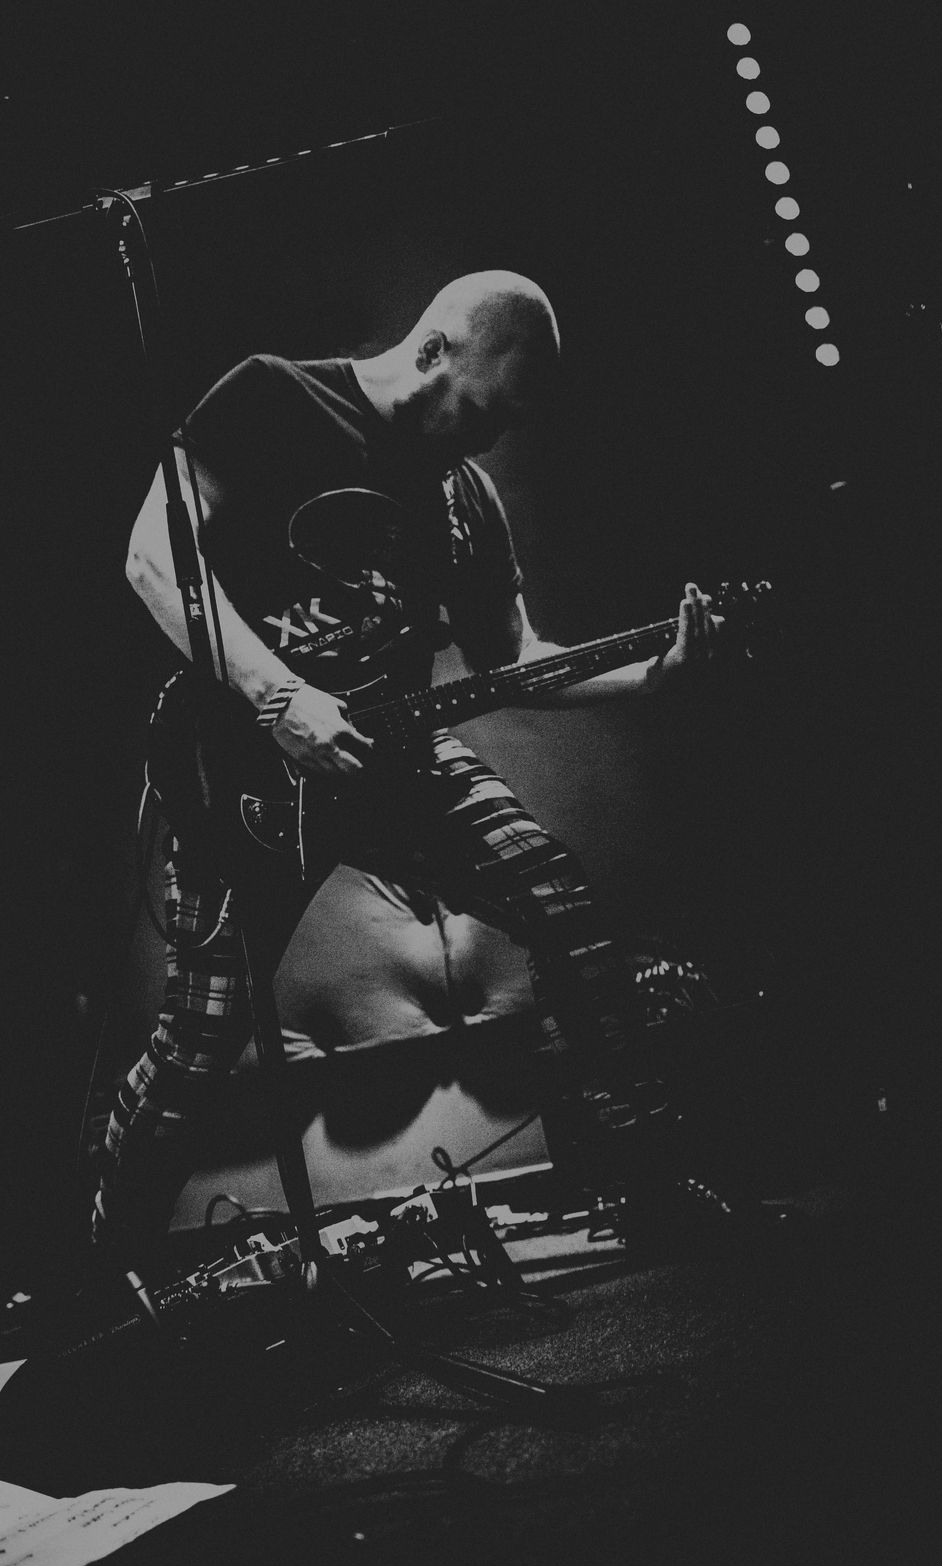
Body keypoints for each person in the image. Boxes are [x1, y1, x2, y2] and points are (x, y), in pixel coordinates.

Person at [91, 270, 722, 1280]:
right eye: (484, 408)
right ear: (433, 351)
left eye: (509, 422)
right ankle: (110, 1268)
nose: (492, 436)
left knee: (558, 898)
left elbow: (512, 658)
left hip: (392, 761)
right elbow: (152, 560)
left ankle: (648, 1181)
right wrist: (277, 696)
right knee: (199, 1042)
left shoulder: (464, 497)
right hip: (240, 773)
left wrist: (653, 674)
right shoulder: (272, 396)